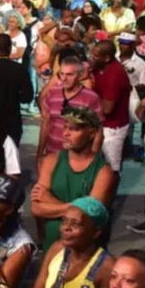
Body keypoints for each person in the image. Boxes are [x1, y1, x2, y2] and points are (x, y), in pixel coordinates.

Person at [32, 106, 116, 249]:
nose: (66, 133)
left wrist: (50, 201)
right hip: (52, 247)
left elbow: (88, 217)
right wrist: (79, 206)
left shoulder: (104, 172)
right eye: (65, 127)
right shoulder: (51, 161)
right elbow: (36, 208)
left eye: (74, 129)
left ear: (91, 133)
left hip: (84, 252)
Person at [30, 198, 114, 288]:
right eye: (64, 220)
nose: (66, 227)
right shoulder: (56, 250)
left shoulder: (107, 268)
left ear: (96, 232)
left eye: (75, 223)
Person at [38, 56, 102, 161]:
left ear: (80, 75)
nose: (64, 78)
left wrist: (91, 161)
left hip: (78, 159)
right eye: (61, 74)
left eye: (69, 75)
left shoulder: (91, 98)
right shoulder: (52, 93)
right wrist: (40, 154)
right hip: (52, 155)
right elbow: (46, 124)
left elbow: (98, 133)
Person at [90, 40, 133, 173]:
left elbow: (107, 109)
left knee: (112, 167)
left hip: (114, 127)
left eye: (96, 55)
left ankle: (110, 193)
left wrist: (88, 102)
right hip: (100, 124)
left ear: (107, 58)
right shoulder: (98, 67)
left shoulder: (116, 74)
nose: (92, 58)